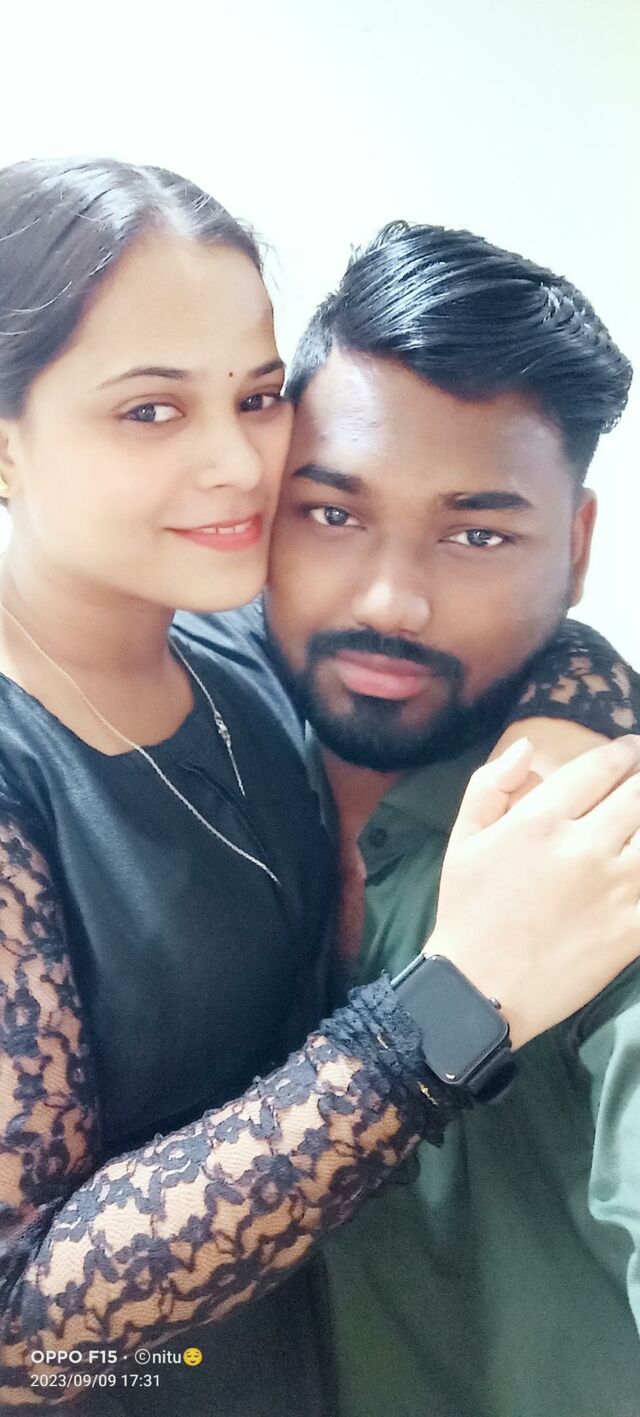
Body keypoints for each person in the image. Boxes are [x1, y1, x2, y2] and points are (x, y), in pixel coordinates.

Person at [0, 161, 638, 1417]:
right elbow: (20, 1348)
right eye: (148, 410)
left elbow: (517, 628)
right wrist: (454, 1002)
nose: (235, 464)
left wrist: (581, 716)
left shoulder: (242, 652)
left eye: (253, 398)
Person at [226, 222, 637, 1416]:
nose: (390, 599)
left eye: (477, 534)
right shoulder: (184, 748)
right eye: (332, 514)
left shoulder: (597, 828)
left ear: (575, 547)